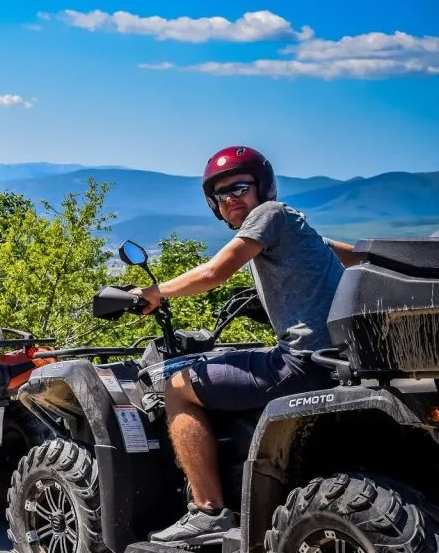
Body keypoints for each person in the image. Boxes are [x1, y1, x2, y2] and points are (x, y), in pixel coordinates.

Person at [141, 145, 358, 547]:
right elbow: (347, 256)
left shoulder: (267, 216)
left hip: (301, 363)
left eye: (239, 187)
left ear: (263, 188)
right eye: (220, 195)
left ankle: (207, 510)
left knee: (175, 384)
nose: (230, 199)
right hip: (341, 360)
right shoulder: (294, 223)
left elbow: (213, 272)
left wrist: (152, 293)